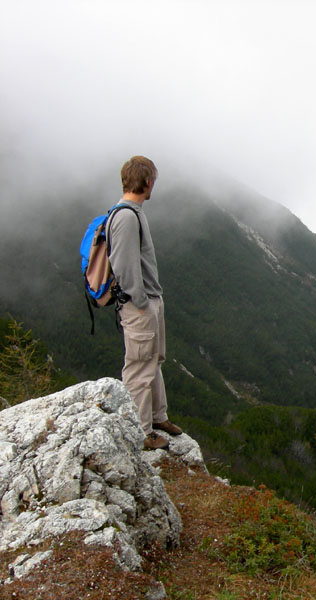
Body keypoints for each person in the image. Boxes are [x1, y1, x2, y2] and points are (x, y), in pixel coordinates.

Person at [108, 156, 183, 450]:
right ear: (148, 181)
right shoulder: (126, 217)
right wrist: (140, 301)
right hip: (140, 304)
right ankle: (141, 433)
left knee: (154, 360)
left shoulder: (133, 212)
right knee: (139, 367)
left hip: (150, 300)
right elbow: (124, 266)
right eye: (154, 180)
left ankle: (157, 416)